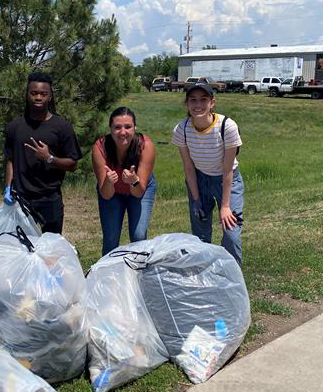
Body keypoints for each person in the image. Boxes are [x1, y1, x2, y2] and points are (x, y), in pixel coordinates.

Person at [171, 81, 243, 265]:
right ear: (186, 104)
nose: (198, 105)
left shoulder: (227, 126)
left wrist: (225, 206)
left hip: (226, 180)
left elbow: (227, 169)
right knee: (201, 235)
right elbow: (188, 167)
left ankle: (232, 278)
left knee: (231, 234)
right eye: (193, 100)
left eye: (203, 99)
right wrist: (196, 200)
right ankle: (206, 275)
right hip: (199, 179)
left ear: (212, 102)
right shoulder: (182, 130)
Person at [4, 71, 82, 233]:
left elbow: (73, 164)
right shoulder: (15, 127)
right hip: (21, 198)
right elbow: (10, 159)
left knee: (50, 250)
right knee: (21, 248)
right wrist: (8, 187)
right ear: (27, 95)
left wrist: (49, 158)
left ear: (50, 97)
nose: (38, 97)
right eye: (34, 93)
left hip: (50, 199)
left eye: (43, 94)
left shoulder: (62, 126)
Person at [92, 107, 157, 255]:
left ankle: (139, 272)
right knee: (111, 238)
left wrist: (134, 181)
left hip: (140, 189)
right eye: (117, 127)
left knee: (139, 236)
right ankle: (109, 274)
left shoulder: (145, 146)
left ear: (135, 128)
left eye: (128, 127)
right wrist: (108, 182)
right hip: (112, 192)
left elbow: (139, 192)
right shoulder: (100, 147)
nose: (123, 132)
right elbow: (106, 195)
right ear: (110, 129)